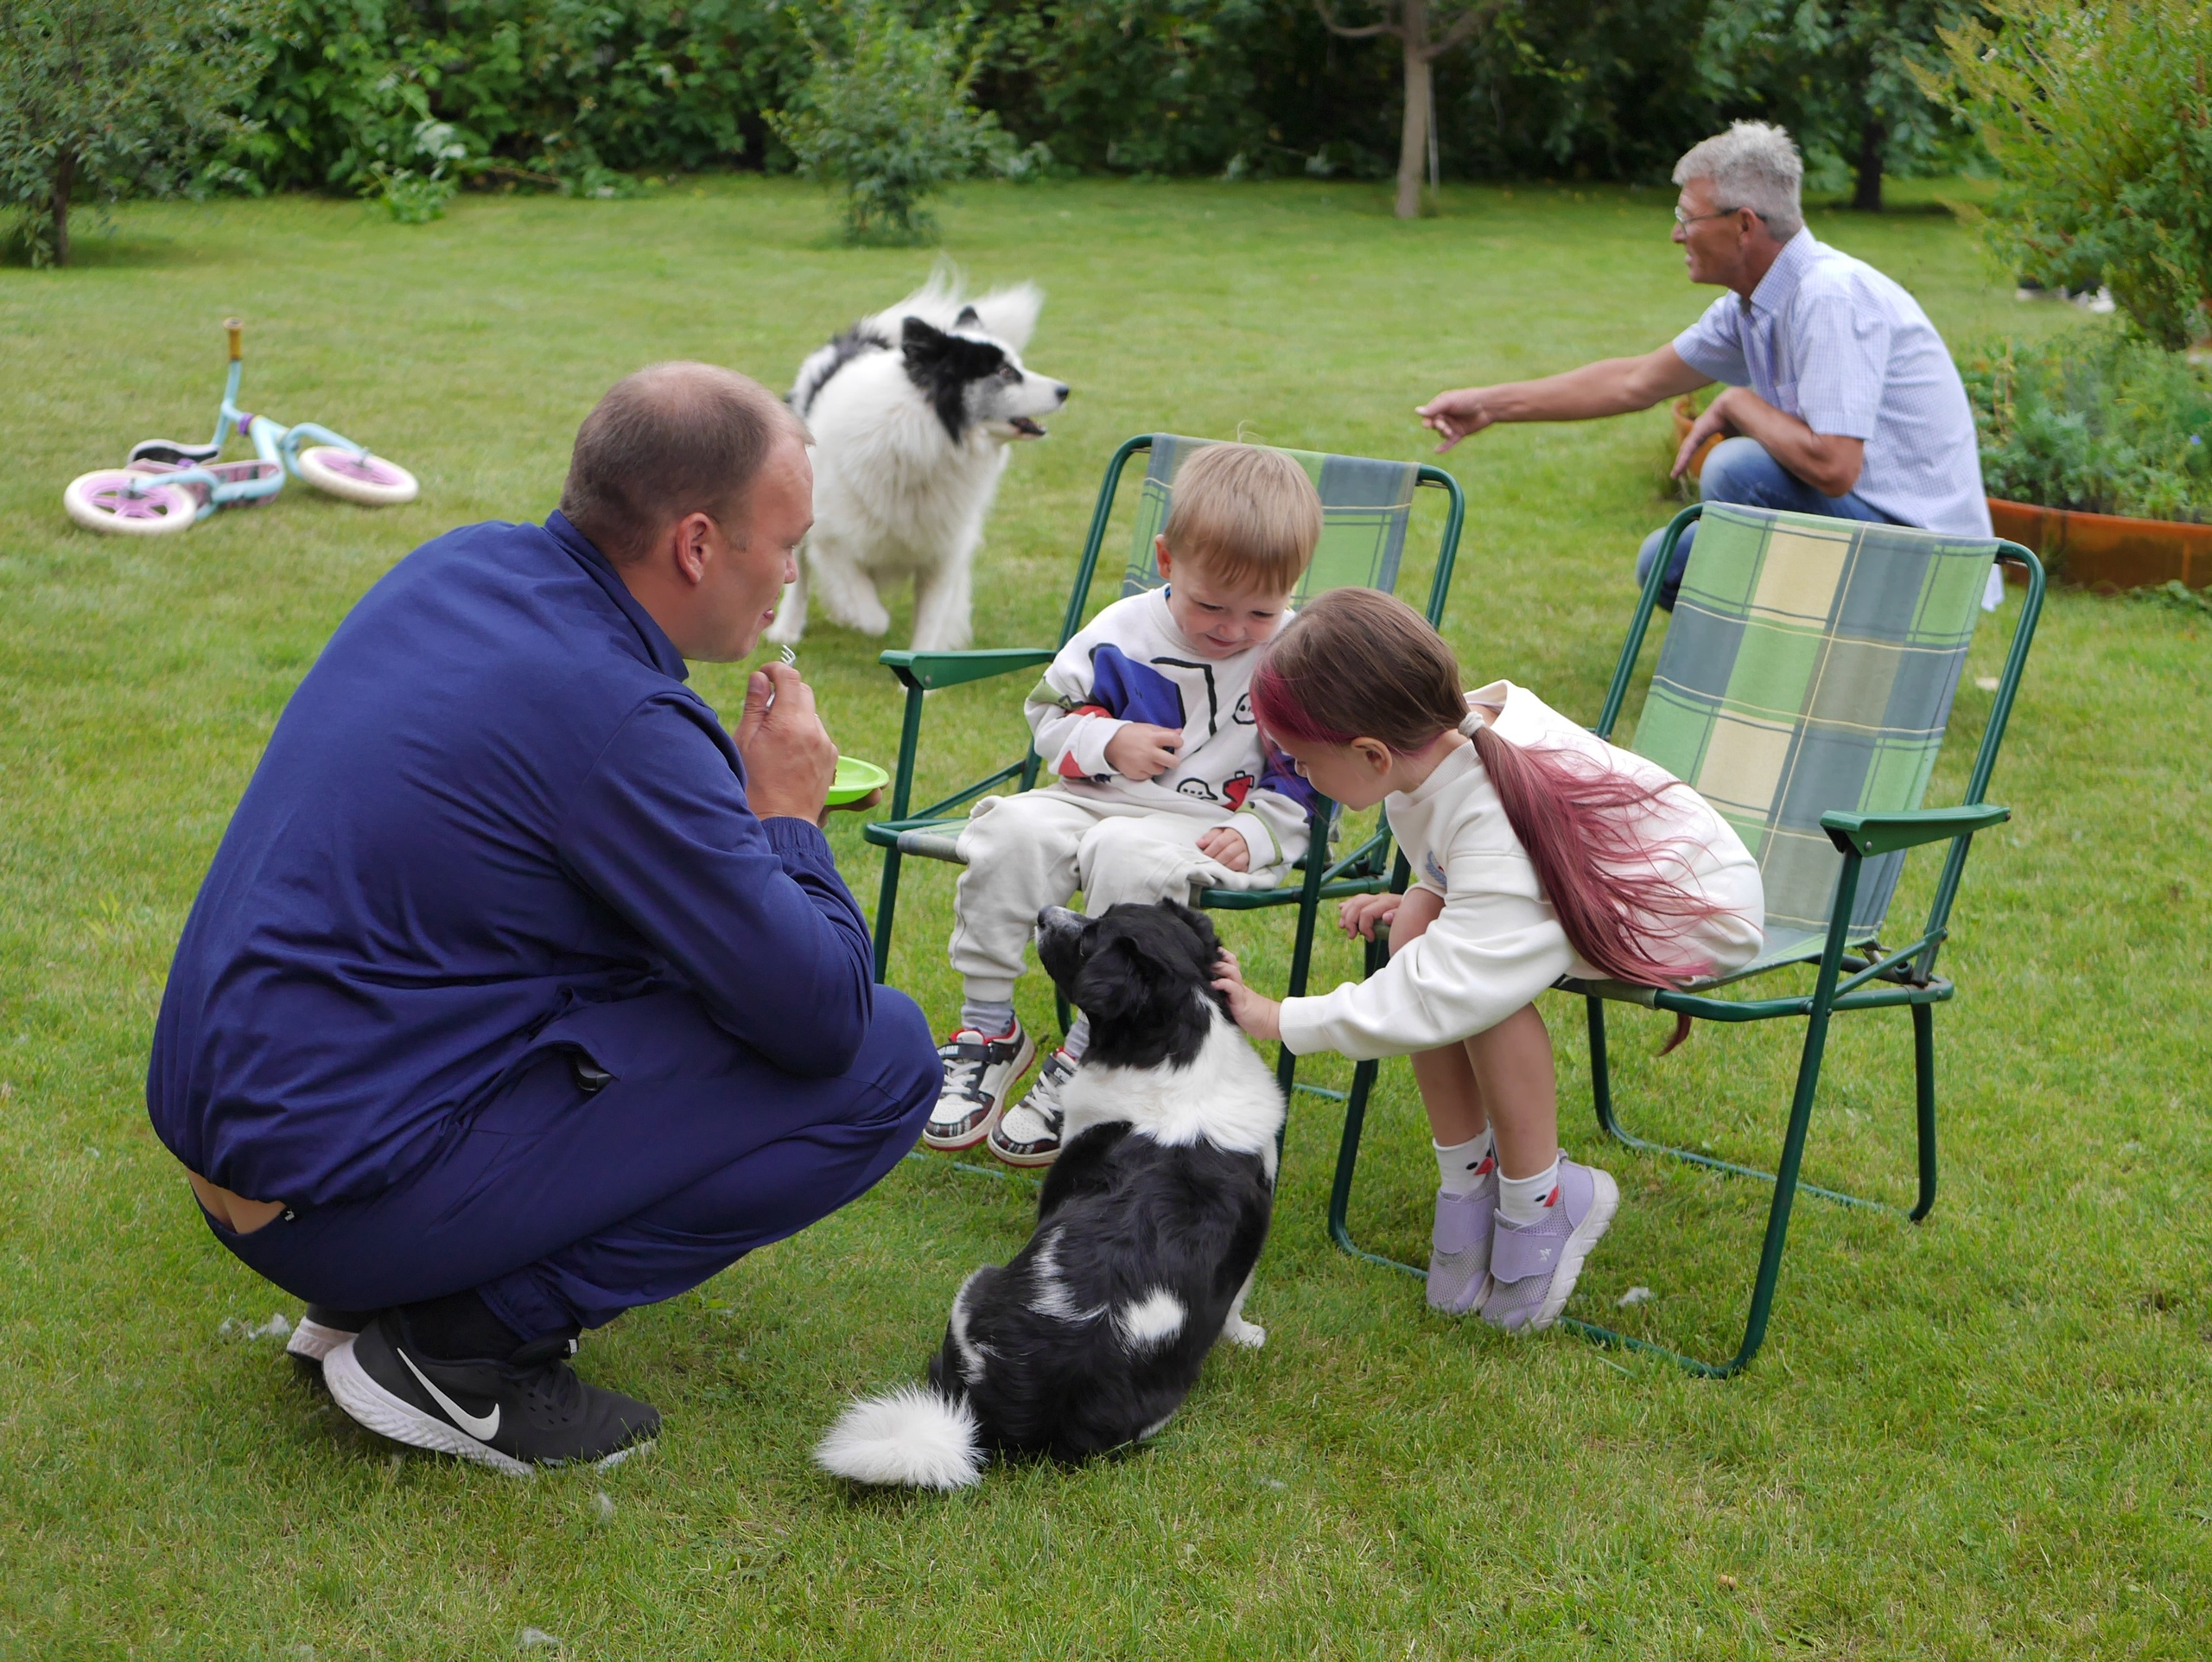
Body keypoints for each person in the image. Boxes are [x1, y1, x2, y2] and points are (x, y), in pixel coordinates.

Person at [149, 363, 940, 1474]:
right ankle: (459, 1347)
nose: (788, 576)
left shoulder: (459, 565)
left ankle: (384, 1293)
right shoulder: (619, 718)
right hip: (324, 1203)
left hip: (244, 1157)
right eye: (785, 544)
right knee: (888, 1059)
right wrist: (786, 820)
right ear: (697, 545)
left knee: (669, 960)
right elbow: (823, 1018)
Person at [1210, 589, 1764, 1332]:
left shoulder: (1491, 810)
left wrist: (1281, 1017)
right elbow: (1469, 861)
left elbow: (1450, 985)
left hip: (1687, 912)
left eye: (1305, 763)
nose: (1301, 776)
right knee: (1418, 925)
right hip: (1588, 883)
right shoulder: (1432, 749)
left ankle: (1544, 1200)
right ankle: (1469, 1183)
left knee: (1472, 984)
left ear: (1371, 754)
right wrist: (1436, 890)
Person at [1416, 121, 2003, 614]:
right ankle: (1778, 662)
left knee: (1737, 468)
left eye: (1687, 217)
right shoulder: (1752, 306)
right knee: (1666, 562)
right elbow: (1635, 382)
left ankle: (1822, 660)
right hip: (1869, 533)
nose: (1677, 234)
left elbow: (1834, 465)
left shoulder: (1831, 297)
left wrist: (1738, 403)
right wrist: (1488, 405)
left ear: (1744, 225)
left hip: (1930, 565)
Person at [930, 443, 1325, 1168]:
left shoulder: (1293, 657)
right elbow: (1050, 715)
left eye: (1261, 611)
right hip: (1091, 796)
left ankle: (1091, 1050)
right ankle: (988, 1026)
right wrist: (1108, 740)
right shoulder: (1121, 631)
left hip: (1205, 827)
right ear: (1167, 559)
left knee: (1125, 851)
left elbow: (1310, 768)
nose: (1233, 629)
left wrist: (1260, 831)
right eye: (1211, 605)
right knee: (1011, 827)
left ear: (1293, 588)